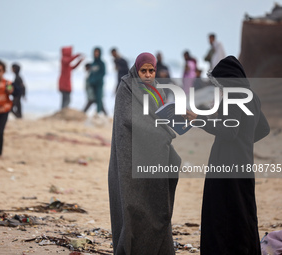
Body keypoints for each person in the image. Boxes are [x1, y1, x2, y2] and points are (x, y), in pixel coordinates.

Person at [184, 56, 270, 255]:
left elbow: (229, 131)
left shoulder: (234, 96)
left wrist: (199, 119)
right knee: (243, 213)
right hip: (244, 163)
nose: (219, 87)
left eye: (221, 82)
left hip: (225, 164)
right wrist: (245, 143)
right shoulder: (251, 96)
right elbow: (263, 129)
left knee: (220, 213)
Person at [108, 52, 181, 255]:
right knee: (133, 208)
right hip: (130, 158)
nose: (148, 75)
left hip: (154, 154)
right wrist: (161, 131)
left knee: (157, 205)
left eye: (151, 70)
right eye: (143, 71)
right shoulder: (126, 88)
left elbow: (160, 116)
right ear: (136, 70)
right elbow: (129, 121)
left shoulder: (158, 90)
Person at [88, 47, 106, 115]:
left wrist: (95, 80)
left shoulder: (102, 63)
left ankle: (98, 113)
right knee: (92, 99)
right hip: (92, 84)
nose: (96, 54)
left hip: (99, 84)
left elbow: (103, 73)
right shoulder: (93, 63)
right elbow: (91, 73)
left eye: (97, 52)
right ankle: (103, 113)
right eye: (95, 52)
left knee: (99, 99)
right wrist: (90, 80)